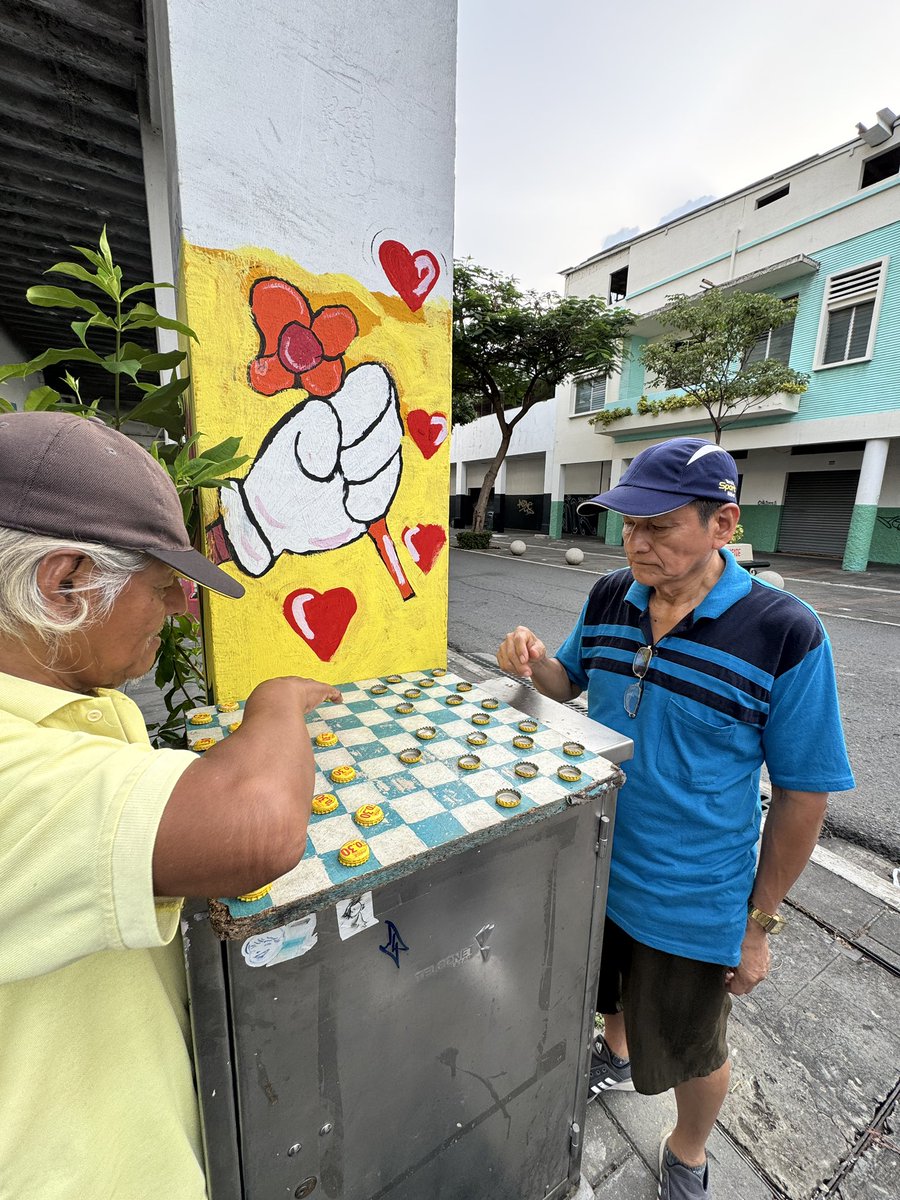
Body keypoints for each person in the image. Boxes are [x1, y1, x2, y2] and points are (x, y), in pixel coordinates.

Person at [497, 437, 854, 1200]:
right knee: (609, 991)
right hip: (593, 861)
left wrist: (758, 927)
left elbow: (803, 795)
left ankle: (689, 1152)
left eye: (660, 526)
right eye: (629, 524)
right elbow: (568, 681)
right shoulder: (610, 596)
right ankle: (617, 1053)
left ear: (724, 524)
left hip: (692, 893)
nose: (637, 543)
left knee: (695, 1048)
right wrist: (532, 663)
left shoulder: (786, 632)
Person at [0, 412, 340, 1199]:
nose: (181, 608)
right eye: (163, 586)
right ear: (66, 581)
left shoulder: (69, 695)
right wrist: (276, 702)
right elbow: (257, 822)